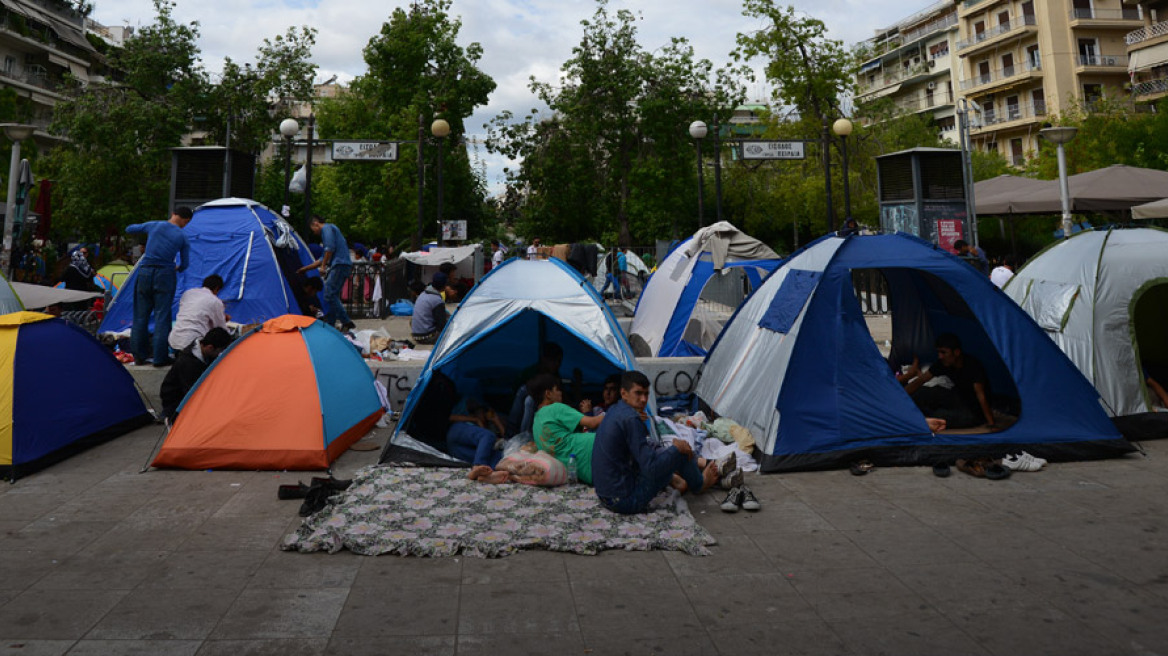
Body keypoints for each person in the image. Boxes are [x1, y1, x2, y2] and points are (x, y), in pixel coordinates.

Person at [591, 371, 719, 515]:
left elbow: (642, 447)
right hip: (624, 502)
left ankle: (678, 478)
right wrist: (675, 449)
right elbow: (651, 468)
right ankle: (699, 484)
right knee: (679, 452)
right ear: (624, 393)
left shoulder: (616, 410)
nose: (643, 399)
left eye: (646, 394)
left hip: (605, 496)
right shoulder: (631, 419)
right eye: (638, 393)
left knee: (666, 450)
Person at [126, 206, 192, 367]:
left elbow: (130, 229)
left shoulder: (154, 225)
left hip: (145, 272)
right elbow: (185, 264)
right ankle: (159, 358)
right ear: (185, 220)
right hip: (166, 274)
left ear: (172, 214)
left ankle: (139, 356)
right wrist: (177, 268)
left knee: (140, 316)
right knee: (162, 317)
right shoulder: (182, 236)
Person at [902, 333, 995, 429]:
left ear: (957, 352)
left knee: (938, 416)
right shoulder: (943, 363)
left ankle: (919, 418)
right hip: (958, 399)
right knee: (924, 392)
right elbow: (920, 380)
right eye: (938, 352)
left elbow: (981, 395)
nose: (940, 356)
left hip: (974, 411)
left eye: (943, 352)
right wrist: (898, 397)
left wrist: (991, 423)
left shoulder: (972, 366)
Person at [528, 373, 604, 484]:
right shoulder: (556, 408)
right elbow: (593, 423)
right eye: (557, 389)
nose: (561, 392)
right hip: (592, 451)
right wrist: (613, 413)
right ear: (548, 394)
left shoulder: (536, 421)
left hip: (584, 472)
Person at [159, 327, 232, 422]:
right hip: (176, 402)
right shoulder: (187, 362)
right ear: (210, 348)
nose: (220, 354)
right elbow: (190, 392)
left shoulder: (206, 356)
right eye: (220, 351)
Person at [297, 215, 354, 332]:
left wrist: (323, 267)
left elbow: (329, 249)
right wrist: (305, 269)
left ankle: (346, 321)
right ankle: (331, 325)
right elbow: (322, 258)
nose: (314, 232)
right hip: (341, 265)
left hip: (339, 264)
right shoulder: (330, 232)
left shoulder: (327, 229)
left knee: (328, 293)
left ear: (316, 224)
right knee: (332, 296)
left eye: (313, 229)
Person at [168, 274, 229, 352]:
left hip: (174, 340)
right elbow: (221, 327)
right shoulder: (215, 301)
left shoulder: (188, 293)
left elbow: (195, 313)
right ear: (217, 289)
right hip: (193, 343)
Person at [446, 391, 507, 468]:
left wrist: (496, 420)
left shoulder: (485, 429)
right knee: (488, 436)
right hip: (459, 433)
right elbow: (487, 436)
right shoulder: (461, 425)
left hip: (465, 453)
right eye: (482, 412)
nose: (484, 415)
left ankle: (480, 467)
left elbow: (506, 440)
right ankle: (479, 466)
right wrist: (475, 420)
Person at [409, 279, 447, 344]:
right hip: (428, 337)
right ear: (444, 287)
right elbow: (441, 324)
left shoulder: (422, 296)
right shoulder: (437, 300)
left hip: (416, 336)